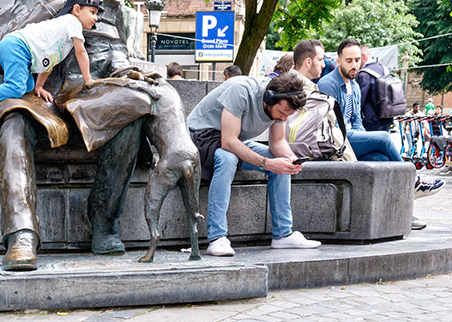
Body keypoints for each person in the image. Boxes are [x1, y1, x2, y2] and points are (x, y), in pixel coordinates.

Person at [0, 0, 184, 271]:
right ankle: (21, 237)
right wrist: (56, 9)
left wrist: (126, 70)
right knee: (12, 122)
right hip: (35, 96)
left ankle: (103, 220)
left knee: (132, 108)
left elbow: (114, 46)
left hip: (87, 92)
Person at [188, 72, 321, 256]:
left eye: (287, 116)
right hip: (201, 138)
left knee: (281, 164)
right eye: (281, 113)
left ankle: (283, 234)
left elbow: (277, 142)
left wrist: (290, 160)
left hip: (232, 139)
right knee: (229, 158)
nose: (283, 119)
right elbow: (228, 142)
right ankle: (216, 238)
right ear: (268, 98)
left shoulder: (281, 103)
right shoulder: (241, 91)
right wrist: (266, 163)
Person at [317, 38, 443, 228]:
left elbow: (357, 122)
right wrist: (366, 138)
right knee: (384, 138)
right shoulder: (328, 84)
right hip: (338, 142)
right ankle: (413, 181)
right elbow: (332, 127)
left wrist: (366, 139)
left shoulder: (355, 85)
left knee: (382, 159)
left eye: (357, 60)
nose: (354, 65)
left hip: (353, 139)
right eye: (349, 60)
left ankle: (404, 213)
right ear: (338, 61)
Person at [0, 0, 101, 125]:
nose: (96, 17)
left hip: (16, 47)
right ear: (77, 10)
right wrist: (88, 80)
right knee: (16, 88)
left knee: (28, 87)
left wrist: (39, 87)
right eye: (92, 12)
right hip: (18, 47)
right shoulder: (72, 22)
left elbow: (50, 62)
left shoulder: (64, 35)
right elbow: (81, 53)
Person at [287, 38, 356, 161]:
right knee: (383, 143)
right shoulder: (309, 96)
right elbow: (332, 136)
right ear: (308, 62)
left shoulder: (291, 86)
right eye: (320, 60)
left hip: (308, 157)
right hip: (326, 160)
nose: (323, 65)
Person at [356, 45, 394, 132]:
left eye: (357, 59)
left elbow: (359, 100)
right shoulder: (386, 70)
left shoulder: (364, 74)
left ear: (363, 56)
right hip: (387, 119)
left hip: (371, 122)